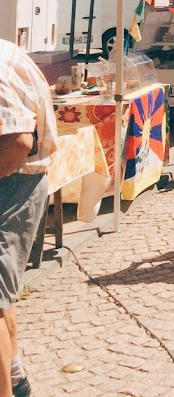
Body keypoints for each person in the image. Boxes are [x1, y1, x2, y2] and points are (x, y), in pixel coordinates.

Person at [1, 40, 58, 397]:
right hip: (17, 181)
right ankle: (16, 378)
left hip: (12, 183)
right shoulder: (6, 51)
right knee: (1, 295)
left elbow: (17, 143)